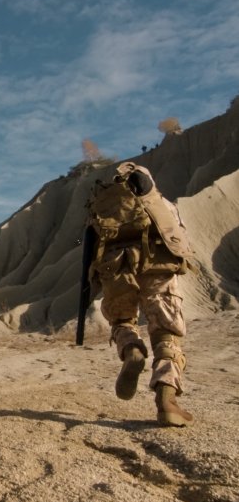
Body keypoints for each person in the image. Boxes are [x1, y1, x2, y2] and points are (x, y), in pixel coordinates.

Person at [86, 162, 194, 427]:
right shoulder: (160, 204)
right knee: (166, 334)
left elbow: (86, 243)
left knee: (122, 322)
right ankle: (167, 401)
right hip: (157, 265)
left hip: (115, 268)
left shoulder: (107, 209)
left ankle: (132, 350)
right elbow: (179, 235)